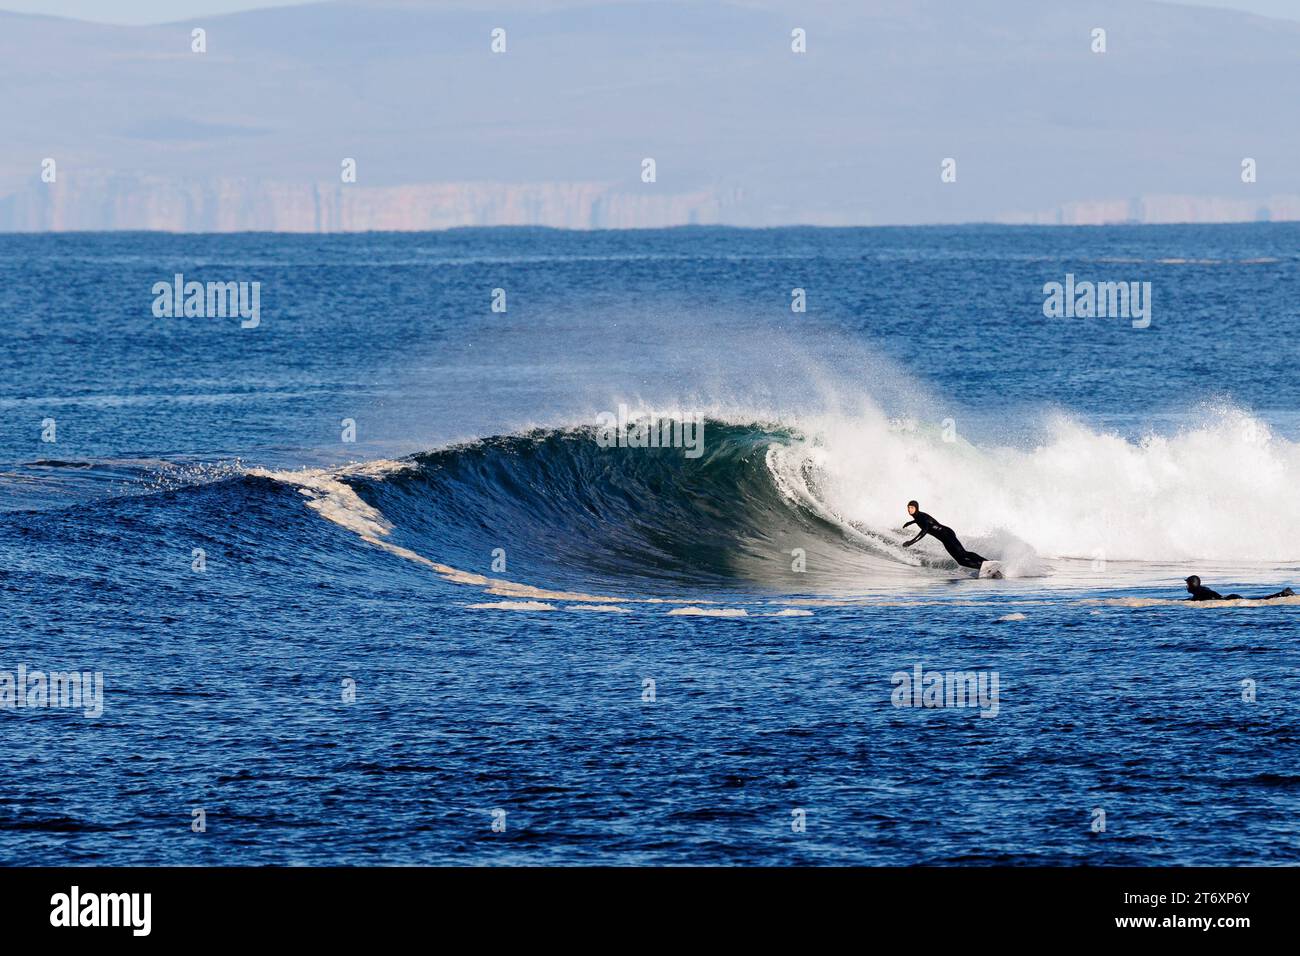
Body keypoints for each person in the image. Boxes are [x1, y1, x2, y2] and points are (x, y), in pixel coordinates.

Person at [902, 500, 987, 571]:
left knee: (963, 554)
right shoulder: (918, 517)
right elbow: (922, 521)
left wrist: (911, 542)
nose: (909, 509)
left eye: (912, 507)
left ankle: (986, 562)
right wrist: (911, 522)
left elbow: (925, 530)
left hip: (946, 534)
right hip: (944, 538)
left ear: (916, 508)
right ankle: (982, 568)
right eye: (908, 507)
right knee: (960, 561)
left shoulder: (920, 516)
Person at [1184, 575, 1294, 602]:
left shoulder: (1199, 592)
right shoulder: (1202, 589)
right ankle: (1282, 593)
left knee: (1259, 601)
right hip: (1229, 597)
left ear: (1192, 584)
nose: (1186, 587)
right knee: (1259, 600)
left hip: (1229, 598)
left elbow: (1195, 600)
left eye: (1188, 584)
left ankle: (1283, 594)